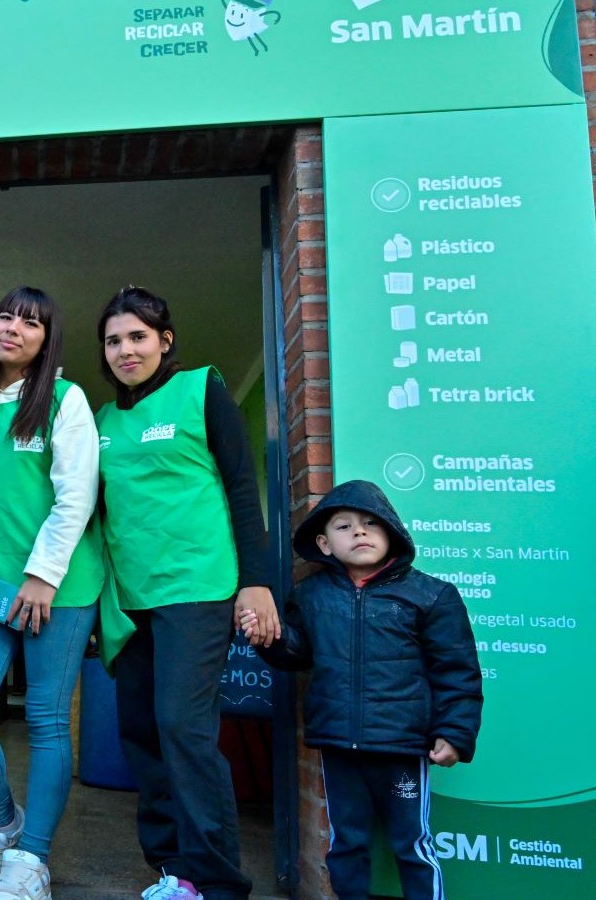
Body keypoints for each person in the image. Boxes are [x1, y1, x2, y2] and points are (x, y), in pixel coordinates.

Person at [93, 286, 278, 900]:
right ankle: (175, 871)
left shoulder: (202, 390)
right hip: (128, 596)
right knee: (141, 731)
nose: (126, 350)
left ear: (165, 341)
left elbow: (243, 493)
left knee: (182, 726)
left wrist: (257, 582)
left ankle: (218, 879)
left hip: (198, 588)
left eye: (138, 337)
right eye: (114, 340)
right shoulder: (101, 422)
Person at [0, 287, 104, 900]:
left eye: (30, 324)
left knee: (45, 720)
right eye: (5, 317)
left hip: (60, 586)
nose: (14, 329)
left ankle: (31, 860)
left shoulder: (65, 399)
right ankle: (7, 825)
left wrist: (42, 575)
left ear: (47, 338)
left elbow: (76, 495)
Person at [243, 480, 482, 900]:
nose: (359, 532)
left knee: (413, 845)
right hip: (339, 744)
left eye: (371, 523)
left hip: (402, 746)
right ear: (325, 543)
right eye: (345, 526)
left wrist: (455, 731)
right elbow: (296, 653)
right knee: (346, 844)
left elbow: (457, 671)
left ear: (392, 532)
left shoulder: (432, 595)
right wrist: (268, 638)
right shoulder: (311, 594)